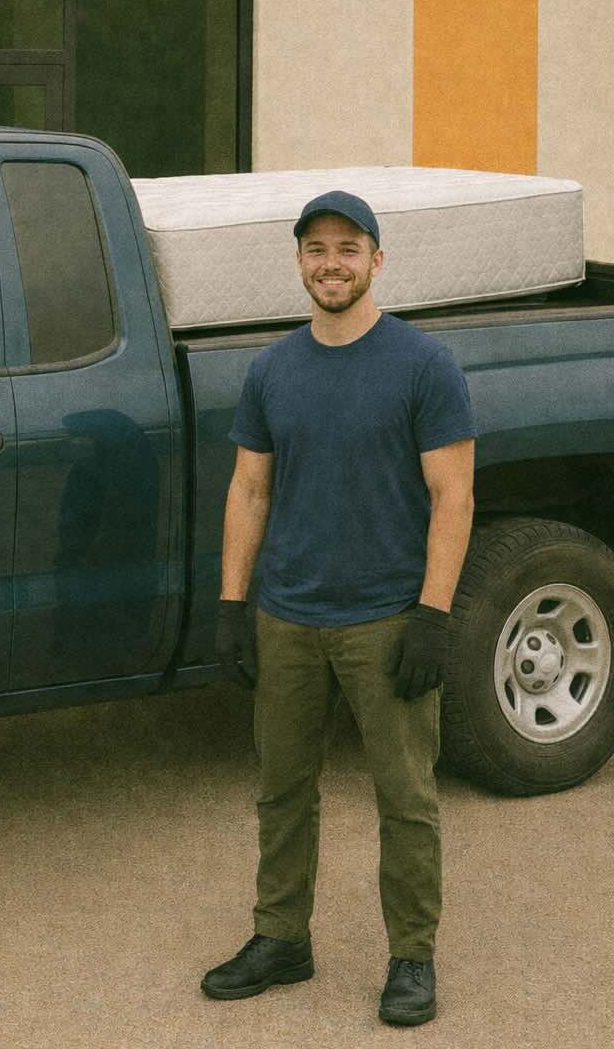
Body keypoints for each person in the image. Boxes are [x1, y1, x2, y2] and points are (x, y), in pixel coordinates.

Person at [203, 190, 475, 1027]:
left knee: (405, 799)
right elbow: (249, 487)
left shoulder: (424, 366)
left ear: (377, 261)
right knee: (282, 789)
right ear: (299, 261)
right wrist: (233, 602)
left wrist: (432, 615)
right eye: (316, 248)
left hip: (387, 618)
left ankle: (412, 958)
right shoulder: (272, 369)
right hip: (287, 616)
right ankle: (282, 937)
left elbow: (453, 496)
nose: (331, 262)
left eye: (348, 248)